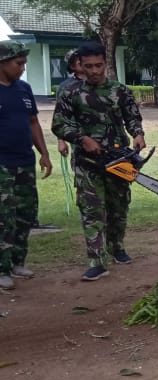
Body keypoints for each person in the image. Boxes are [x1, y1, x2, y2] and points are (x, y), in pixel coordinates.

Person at [51, 41, 146, 282]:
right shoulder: (70, 93)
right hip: (87, 162)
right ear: (80, 65)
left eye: (99, 65)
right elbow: (60, 125)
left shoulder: (120, 90)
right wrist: (82, 139)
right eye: (89, 66)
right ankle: (96, 261)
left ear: (105, 63)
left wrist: (138, 134)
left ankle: (117, 247)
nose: (94, 71)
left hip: (119, 159)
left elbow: (132, 117)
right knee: (92, 210)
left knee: (118, 207)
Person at [0, 43, 53, 290]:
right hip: (2, 164)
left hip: (25, 162)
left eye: (24, 63)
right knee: (4, 217)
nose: (22, 68)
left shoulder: (24, 89)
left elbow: (33, 122)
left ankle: (18, 262)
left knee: (25, 214)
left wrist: (44, 153)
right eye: (18, 63)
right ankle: (2, 269)